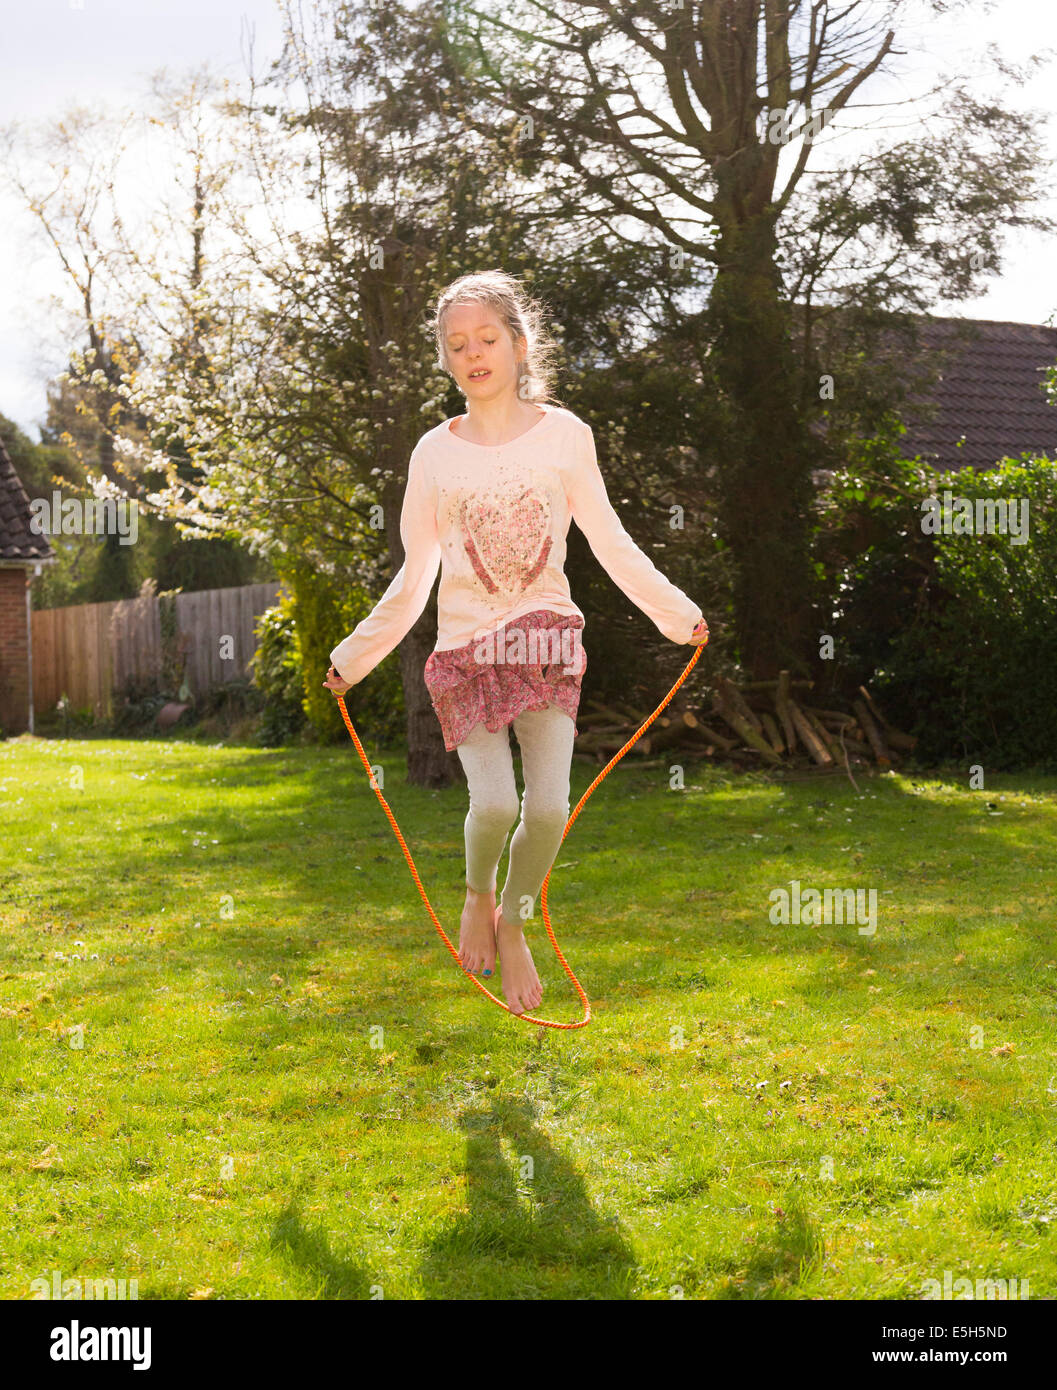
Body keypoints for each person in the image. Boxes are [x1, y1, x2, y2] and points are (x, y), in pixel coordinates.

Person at [323, 269, 708, 1015]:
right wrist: (353, 656)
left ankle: (517, 921)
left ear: (520, 344)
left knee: (550, 809)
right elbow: (414, 575)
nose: (473, 354)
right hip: (467, 654)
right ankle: (476, 894)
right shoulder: (433, 454)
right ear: (444, 359)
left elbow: (610, 540)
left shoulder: (566, 437)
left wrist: (674, 611)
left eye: (487, 338)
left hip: (546, 642)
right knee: (495, 806)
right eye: (456, 343)